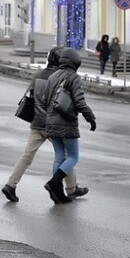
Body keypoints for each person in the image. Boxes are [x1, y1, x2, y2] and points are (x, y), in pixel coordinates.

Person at [1, 47, 88, 203]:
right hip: (53, 123)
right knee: (66, 156)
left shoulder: (39, 75)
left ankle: (10, 184)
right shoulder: (58, 78)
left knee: (27, 156)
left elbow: (31, 96)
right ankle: (71, 189)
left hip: (36, 122)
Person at [41, 48, 97, 204]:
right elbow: (79, 101)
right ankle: (54, 182)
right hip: (66, 123)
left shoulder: (52, 77)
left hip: (50, 122)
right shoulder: (74, 77)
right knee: (73, 156)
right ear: (75, 62)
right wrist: (90, 117)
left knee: (59, 156)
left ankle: (57, 192)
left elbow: (45, 99)